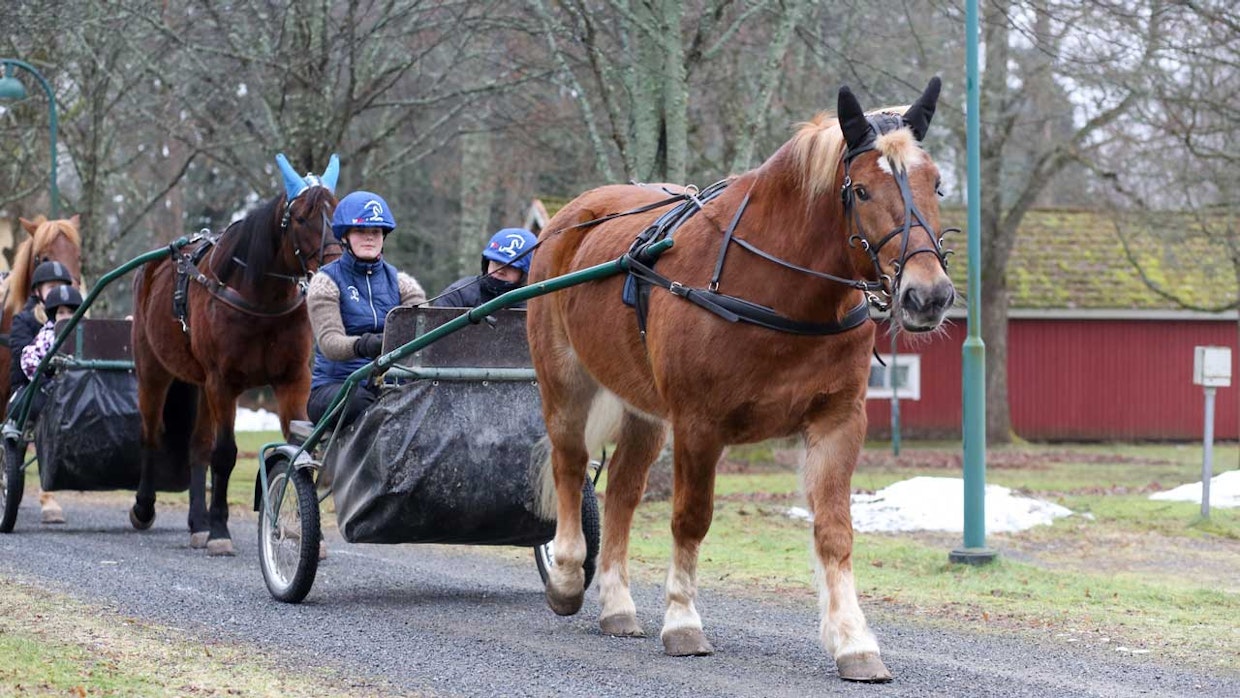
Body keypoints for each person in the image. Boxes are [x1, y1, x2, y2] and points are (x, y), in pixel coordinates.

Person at [306, 191, 426, 427]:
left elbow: (424, 331)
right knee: (364, 401)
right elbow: (330, 343)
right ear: (344, 237)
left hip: (392, 384)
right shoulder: (325, 282)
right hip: (337, 387)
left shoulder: (403, 283)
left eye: (376, 232)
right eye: (361, 231)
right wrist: (366, 344)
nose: (369, 238)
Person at [9, 260, 76, 399]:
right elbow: (24, 359)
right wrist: (48, 379)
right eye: (52, 287)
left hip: (68, 386)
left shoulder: (76, 321)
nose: (58, 292)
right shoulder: (24, 321)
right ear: (37, 292)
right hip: (31, 386)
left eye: (62, 287)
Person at [432, 228, 538, 308]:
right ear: (486, 262)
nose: (500, 270)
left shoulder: (537, 305)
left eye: (510, 267)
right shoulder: (458, 296)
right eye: (496, 262)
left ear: (526, 273)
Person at [20, 284, 83, 383]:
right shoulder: (48, 335)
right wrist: (44, 381)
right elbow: (28, 358)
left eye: (70, 312)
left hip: (83, 384)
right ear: (54, 315)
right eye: (61, 312)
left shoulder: (85, 333)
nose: (66, 316)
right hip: (57, 389)